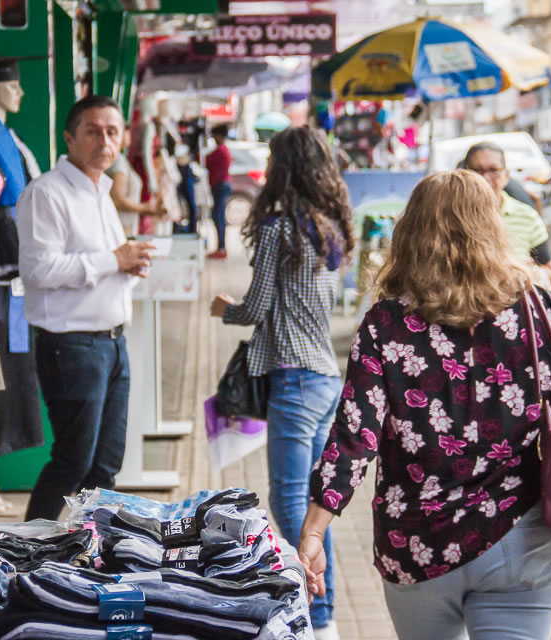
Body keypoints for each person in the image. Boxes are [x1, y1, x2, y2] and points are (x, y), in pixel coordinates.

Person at [297, 170, 551, 640]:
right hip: (518, 536)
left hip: (416, 542)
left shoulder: (385, 324)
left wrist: (315, 531)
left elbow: (355, 435)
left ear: (411, 232)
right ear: (493, 227)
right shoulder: (536, 308)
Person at [210, 126, 355, 639]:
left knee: (291, 500)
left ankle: (313, 618)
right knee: (317, 504)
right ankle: (326, 615)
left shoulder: (278, 230)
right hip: (324, 378)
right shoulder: (330, 227)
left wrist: (225, 310)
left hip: (293, 380)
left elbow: (257, 305)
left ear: (283, 169)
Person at [17, 95, 156, 521]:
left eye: (112, 131)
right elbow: (39, 269)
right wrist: (115, 260)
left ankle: (86, 555)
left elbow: (96, 262)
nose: (104, 140)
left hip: (113, 344)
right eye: (93, 131)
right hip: (71, 345)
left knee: (105, 467)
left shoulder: (101, 192)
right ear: (69, 137)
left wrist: (127, 265)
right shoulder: (47, 193)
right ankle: (26, 549)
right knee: (72, 462)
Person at [463, 142, 551, 287]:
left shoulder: (527, 216)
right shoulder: (455, 217)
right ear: (464, 175)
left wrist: (523, 272)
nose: (485, 178)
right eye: (477, 171)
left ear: (506, 175)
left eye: (493, 170)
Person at [108, 128, 162, 237]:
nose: (130, 134)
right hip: (121, 227)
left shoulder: (121, 160)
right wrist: (145, 208)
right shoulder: (118, 162)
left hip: (126, 226)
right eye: (126, 129)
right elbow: (117, 200)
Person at [206, 123, 232, 259]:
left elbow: (205, 160)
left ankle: (221, 248)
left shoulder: (220, 151)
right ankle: (221, 247)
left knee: (218, 217)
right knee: (219, 217)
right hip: (222, 186)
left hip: (220, 186)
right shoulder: (223, 150)